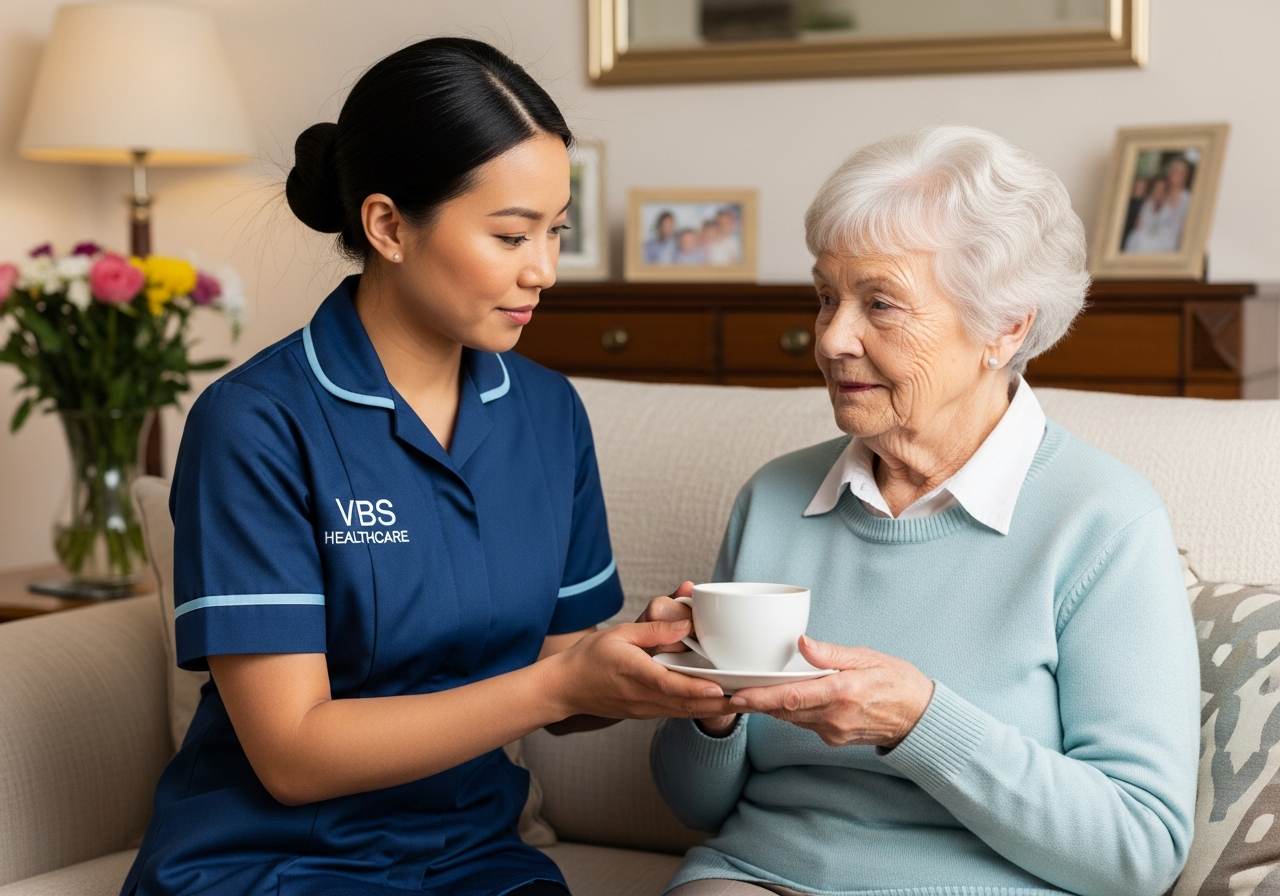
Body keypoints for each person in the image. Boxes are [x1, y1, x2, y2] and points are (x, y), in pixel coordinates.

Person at [120, 38, 732, 896]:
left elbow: (570, 673)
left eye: (555, 232)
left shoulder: (547, 414)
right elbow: (292, 753)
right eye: (512, 234)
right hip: (269, 865)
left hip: (475, 863)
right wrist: (558, 685)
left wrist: (651, 658)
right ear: (387, 225)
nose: (544, 270)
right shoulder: (255, 424)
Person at [646, 125, 1199, 896]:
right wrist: (706, 706)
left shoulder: (1104, 522)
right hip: (753, 880)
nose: (833, 339)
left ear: (1005, 327)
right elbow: (694, 807)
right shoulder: (773, 498)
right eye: (826, 297)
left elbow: (1138, 851)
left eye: (880, 304)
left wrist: (919, 722)